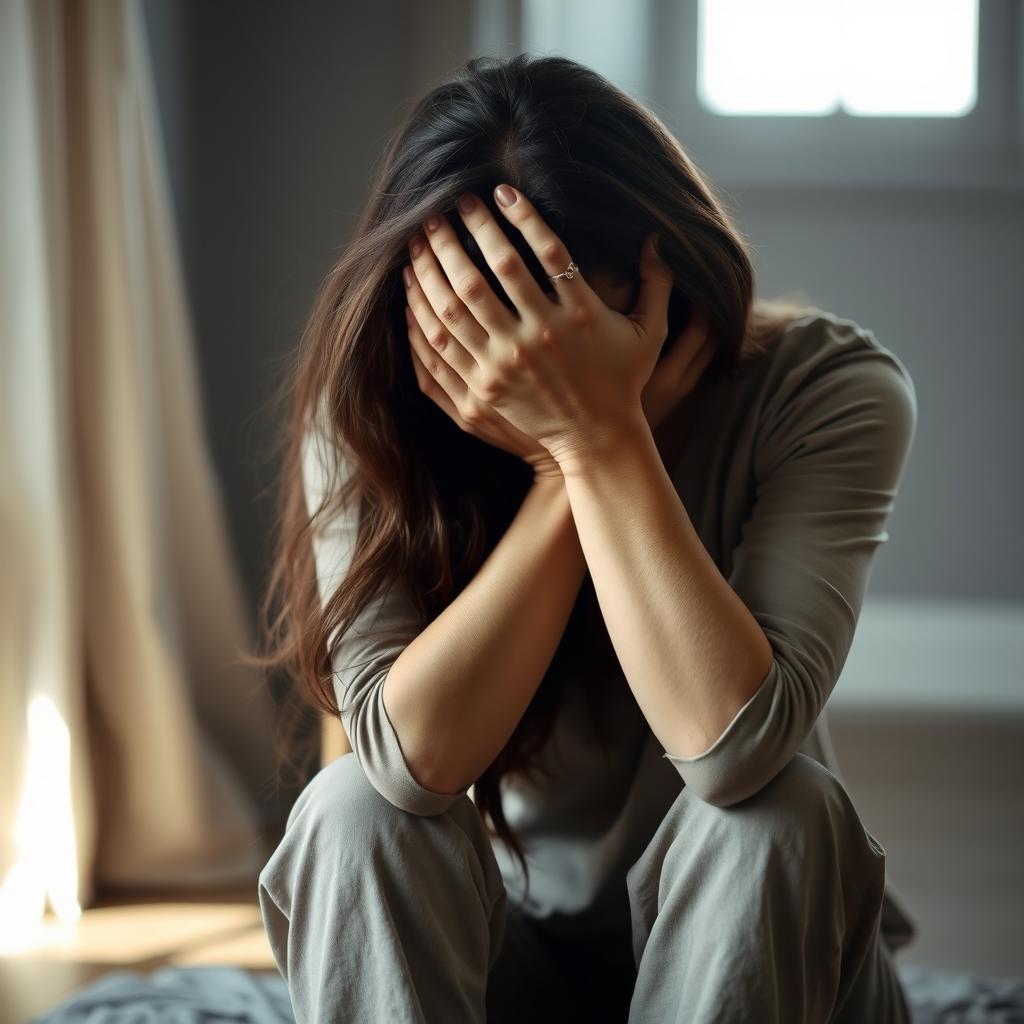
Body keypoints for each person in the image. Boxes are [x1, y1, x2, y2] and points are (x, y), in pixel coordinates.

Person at [251, 52, 919, 1023]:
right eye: (513, 347)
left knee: (779, 813)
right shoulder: (368, 409)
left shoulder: (827, 389)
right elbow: (411, 762)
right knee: (351, 813)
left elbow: (731, 751)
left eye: (583, 337)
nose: (555, 371)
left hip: (759, 947)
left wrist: (604, 439)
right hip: (507, 954)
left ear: (669, 282)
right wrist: (570, 460)